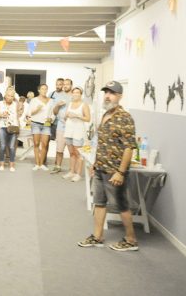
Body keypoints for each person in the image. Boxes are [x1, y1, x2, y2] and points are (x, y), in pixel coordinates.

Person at [78, 80, 139, 251]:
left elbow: (129, 147)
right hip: (100, 169)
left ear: (119, 96)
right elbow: (101, 143)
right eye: (106, 92)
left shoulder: (124, 117)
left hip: (114, 171)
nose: (107, 95)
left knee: (121, 205)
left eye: (111, 93)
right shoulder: (105, 115)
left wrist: (120, 172)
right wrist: (95, 163)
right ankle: (97, 237)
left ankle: (131, 240)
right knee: (99, 202)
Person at [62, 87, 90, 182]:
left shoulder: (84, 105)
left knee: (79, 154)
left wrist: (77, 115)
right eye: (74, 92)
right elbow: (65, 118)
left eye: (77, 92)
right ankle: (72, 172)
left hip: (78, 131)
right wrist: (66, 116)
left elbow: (88, 118)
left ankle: (78, 174)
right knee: (71, 153)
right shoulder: (70, 104)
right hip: (69, 130)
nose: (75, 94)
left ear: (81, 94)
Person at [0, 87, 22, 172]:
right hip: (2, 126)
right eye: (8, 95)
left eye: (11, 96)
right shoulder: (0, 103)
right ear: (5, 96)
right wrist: (1, 115)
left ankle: (12, 165)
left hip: (13, 127)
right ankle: (2, 164)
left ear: (13, 97)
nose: (10, 97)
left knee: (12, 147)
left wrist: (19, 127)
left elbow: (17, 116)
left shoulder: (15, 104)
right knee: (2, 146)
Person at [29, 84, 53, 171]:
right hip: (36, 123)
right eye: (42, 89)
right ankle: (37, 163)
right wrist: (37, 109)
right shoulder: (34, 100)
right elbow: (30, 113)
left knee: (45, 144)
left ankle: (42, 163)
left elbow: (53, 112)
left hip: (46, 124)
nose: (44, 90)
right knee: (36, 143)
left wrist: (51, 118)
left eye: (46, 89)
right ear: (39, 90)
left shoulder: (51, 101)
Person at [51, 78, 73, 174]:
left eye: (67, 84)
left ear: (71, 85)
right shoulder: (59, 96)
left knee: (72, 150)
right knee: (59, 148)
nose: (65, 86)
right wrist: (58, 106)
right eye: (64, 84)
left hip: (72, 126)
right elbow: (55, 112)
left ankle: (72, 170)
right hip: (60, 125)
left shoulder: (74, 96)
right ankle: (57, 166)